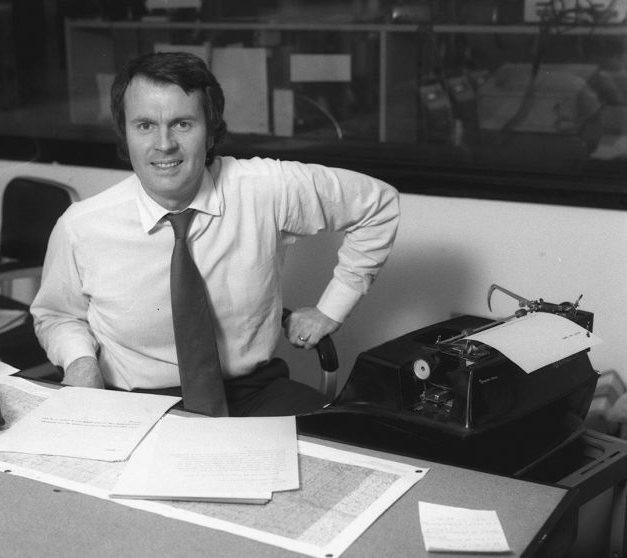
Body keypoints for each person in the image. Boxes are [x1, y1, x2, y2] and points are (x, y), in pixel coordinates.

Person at [31, 51, 399, 417]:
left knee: (352, 442)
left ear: (210, 131)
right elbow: (57, 315)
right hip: (137, 403)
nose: (164, 144)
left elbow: (378, 204)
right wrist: (81, 362)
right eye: (145, 125)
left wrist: (330, 310)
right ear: (125, 134)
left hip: (252, 393)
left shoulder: (266, 188)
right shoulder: (82, 225)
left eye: (182, 124)